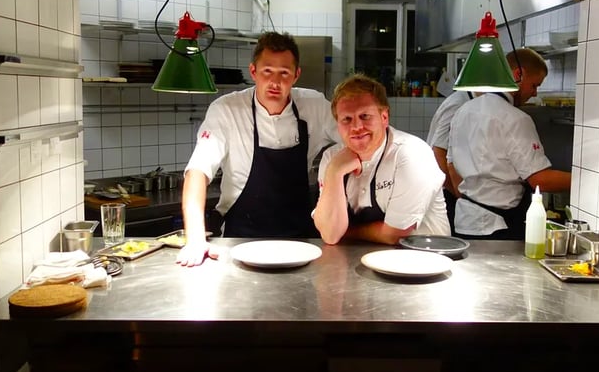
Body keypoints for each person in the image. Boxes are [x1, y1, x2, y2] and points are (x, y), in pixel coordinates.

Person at [177, 31, 339, 266]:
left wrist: (336, 168)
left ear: (296, 75)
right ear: (253, 72)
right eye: (267, 72)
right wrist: (194, 239)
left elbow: (354, 138)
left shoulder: (314, 105)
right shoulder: (227, 109)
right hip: (239, 241)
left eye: (284, 73)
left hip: (302, 244)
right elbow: (198, 172)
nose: (275, 82)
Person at [447, 48, 571, 239]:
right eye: (534, 85)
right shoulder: (516, 118)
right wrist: (584, 180)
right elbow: (540, 180)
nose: (534, 93)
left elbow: (451, 164)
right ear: (517, 75)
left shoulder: (463, 111)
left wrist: (472, 197)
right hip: (498, 227)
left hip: (464, 222)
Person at [313, 74, 450, 245]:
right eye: (347, 119)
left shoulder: (411, 155)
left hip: (423, 260)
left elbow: (396, 234)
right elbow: (331, 235)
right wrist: (334, 172)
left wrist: (346, 231)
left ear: (384, 117)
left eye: (365, 116)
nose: (356, 127)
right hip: (356, 262)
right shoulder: (332, 158)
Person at [426, 89, 476, 234]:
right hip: (447, 191)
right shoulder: (459, 104)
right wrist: (458, 194)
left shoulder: (465, 101)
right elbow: (438, 152)